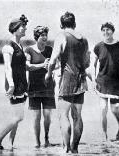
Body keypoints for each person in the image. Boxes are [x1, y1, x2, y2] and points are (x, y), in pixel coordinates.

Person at [45, 12, 90, 153]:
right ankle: (75, 149)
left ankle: (66, 149)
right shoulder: (84, 39)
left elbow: (52, 60)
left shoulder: (62, 36)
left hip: (67, 79)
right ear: (74, 24)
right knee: (77, 116)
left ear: (61, 25)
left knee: (63, 115)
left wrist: (48, 74)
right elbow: (87, 62)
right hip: (81, 80)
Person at [0, 15, 28, 151]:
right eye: (22, 26)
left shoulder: (20, 45)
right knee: (18, 117)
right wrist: (11, 85)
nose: (25, 28)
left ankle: (11, 145)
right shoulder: (8, 46)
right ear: (15, 29)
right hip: (14, 84)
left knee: (16, 117)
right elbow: (7, 67)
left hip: (22, 84)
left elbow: (22, 66)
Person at [93, 22, 119, 140]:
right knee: (103, 109)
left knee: (114, 110)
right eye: (103, 30)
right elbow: (93, 65)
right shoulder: (98, 46)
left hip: (117, 83)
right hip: (102, 81)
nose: (105, 32)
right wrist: (94, 80)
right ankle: (104, 135)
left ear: (112, 31)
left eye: (108, 30)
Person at [25, 26, 56, 148]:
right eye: (42, 35)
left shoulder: (50, 49)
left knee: (47, 116)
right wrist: (42, 65)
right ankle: (37, 142)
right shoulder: (29, 50)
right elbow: (27, 66)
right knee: (36, 117)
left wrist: (52, 67)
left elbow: (56, 64)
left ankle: (46, 138)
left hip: (48, 87)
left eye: (46, 35)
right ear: (36, 37)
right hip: (33, 87)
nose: (44, 37)